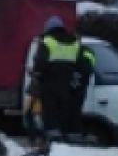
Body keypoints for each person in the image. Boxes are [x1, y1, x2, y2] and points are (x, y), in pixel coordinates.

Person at [29, 16, 93, 146]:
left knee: (50, 112)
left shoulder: (47, 41)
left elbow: (40, 62)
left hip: (49, 83)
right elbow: (81, 65)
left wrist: (36, 72)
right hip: (67, 86)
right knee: (65, 113)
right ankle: (67, 143)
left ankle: (53, 142)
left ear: (48, 28)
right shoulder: (74, 42)